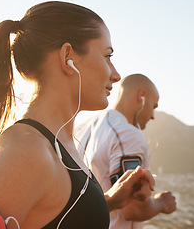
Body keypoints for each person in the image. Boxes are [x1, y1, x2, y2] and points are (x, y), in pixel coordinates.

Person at [0, 2, 155, 229]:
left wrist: (108, 201)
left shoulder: (60, 143)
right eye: (107, 56)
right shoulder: (27, 152)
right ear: (68, 57)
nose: (116, 74)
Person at [74, 74, 177, 229]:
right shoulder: (127, 134)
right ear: (141, 96)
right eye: (153, 106)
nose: (153, 116)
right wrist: (162, 203)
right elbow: (131, 209)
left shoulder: (90, 125)